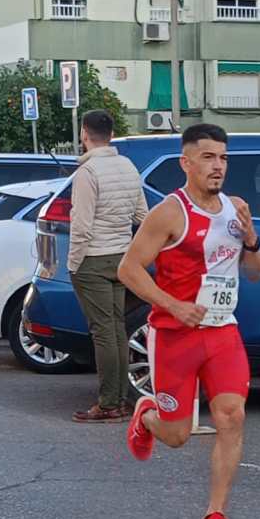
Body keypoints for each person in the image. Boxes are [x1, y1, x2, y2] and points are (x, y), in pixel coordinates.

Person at [118, 124, 260, 519]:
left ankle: (214, 517)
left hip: (222, 331)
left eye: (223, 157)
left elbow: (255, 273)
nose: (218, 166)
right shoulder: (169, 212)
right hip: (175, 336)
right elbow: (128, 269)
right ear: (186, 163)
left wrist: (252, 240)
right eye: (208, 157)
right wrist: (173, 305)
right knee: (177, 435)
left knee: (232, 416)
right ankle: (148, 416)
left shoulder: (236, 209)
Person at [68, 108, 148, 423]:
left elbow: (81, 225)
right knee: (116, 329)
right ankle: (119, 400)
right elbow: (142, 215)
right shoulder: (128, 166)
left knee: (103, 332)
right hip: (122, 258)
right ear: (112, 134)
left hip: (93, 259)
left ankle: (109, 403)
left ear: (84, 134)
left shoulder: (87, 173)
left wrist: (74, 263)